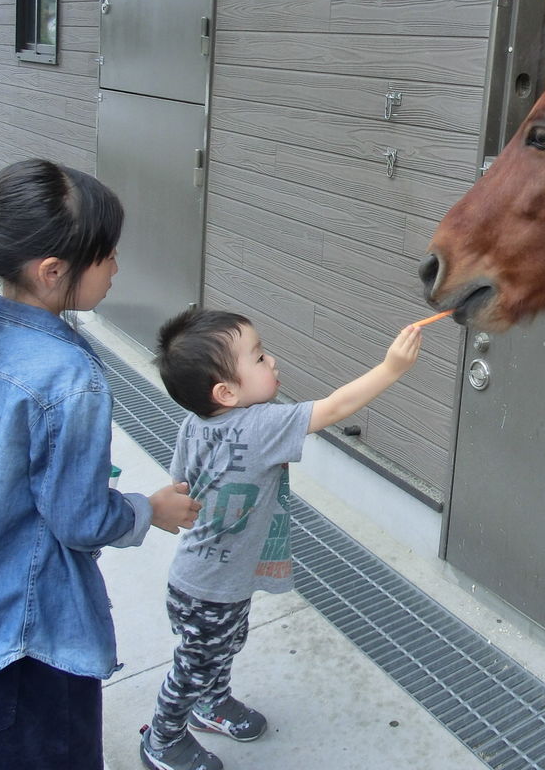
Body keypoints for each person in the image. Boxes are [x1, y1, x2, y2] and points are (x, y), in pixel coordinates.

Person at [0, 159, 202, 770]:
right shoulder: (71, 377)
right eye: (107, 254)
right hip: (28, 634)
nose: (117, 266)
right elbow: (80, 519)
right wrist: (151, 510)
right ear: (53, 271)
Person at [140, 308, 423, 770]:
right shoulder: (262, 425)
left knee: (221, 647)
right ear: (225, 391)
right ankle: (162, 739)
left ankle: (211, 704)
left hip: (203, 575)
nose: (272, 362)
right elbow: (333, 408)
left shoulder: (195, 423)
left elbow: (181, 481)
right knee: (193, 666)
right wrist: (392, 368)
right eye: (259, 357)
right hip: (209, 585)